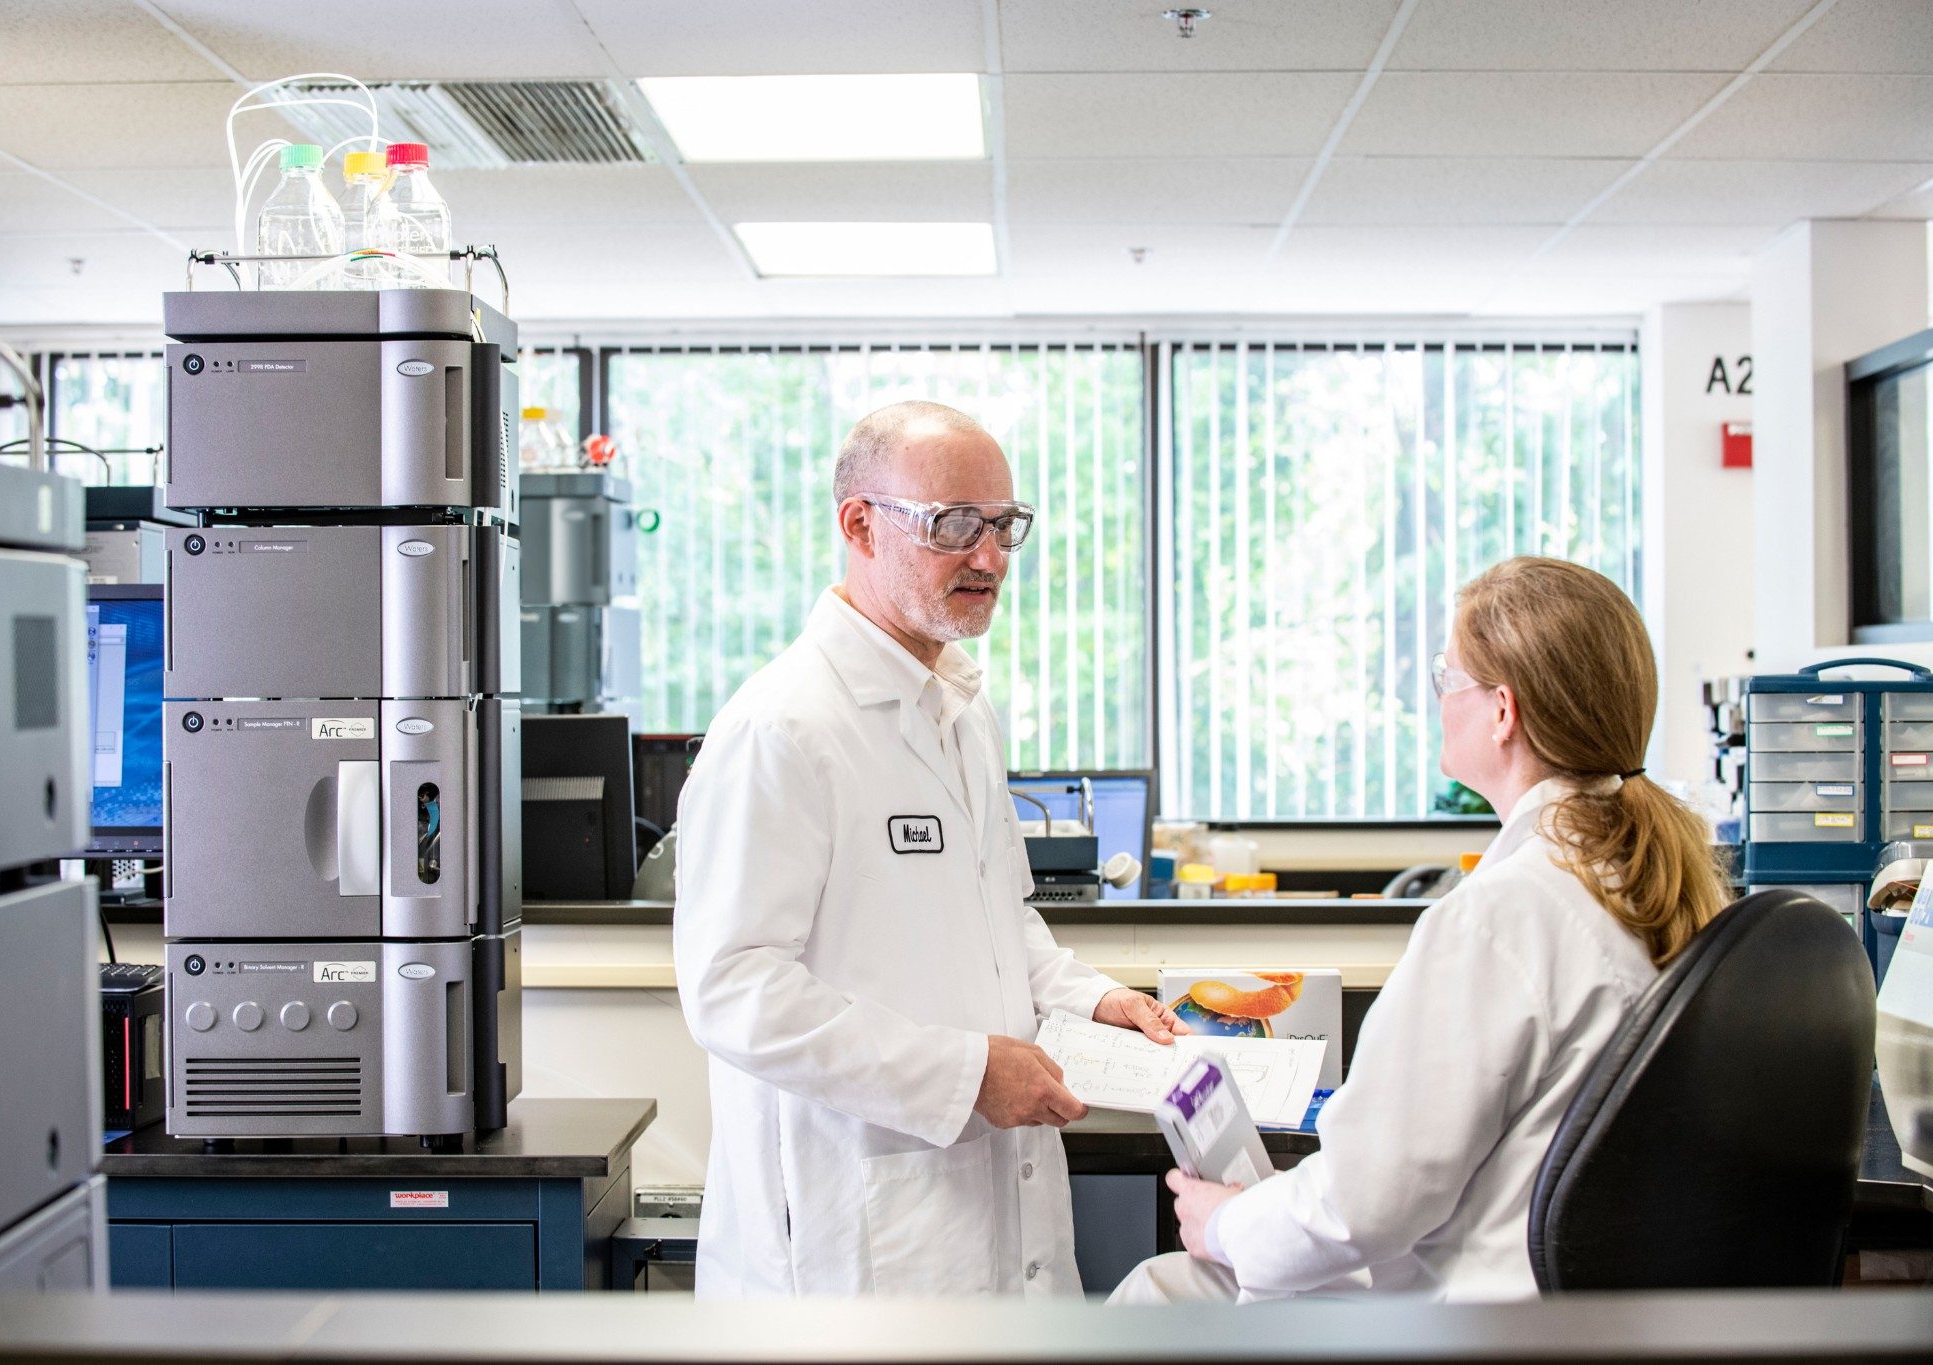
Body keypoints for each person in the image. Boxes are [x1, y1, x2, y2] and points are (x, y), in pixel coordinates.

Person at [1112, 556, 1728, 1304]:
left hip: (1481, 1320)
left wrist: (1225, 1224)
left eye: (1448, 676)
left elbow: (1364, 1205)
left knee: (1160, 1289)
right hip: (1581, 1303)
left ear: (1502, 711)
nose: (1439, 698)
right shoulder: (1645, 877)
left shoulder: (1502, 915)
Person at [674, 399, 1186, 1298]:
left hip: (987, 1204)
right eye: (953, 524)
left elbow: (999, 921)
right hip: (851, 1236)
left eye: (1002, 524)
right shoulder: (782, 728)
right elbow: (733, 991)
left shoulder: (960, 707)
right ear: (860, 525)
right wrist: (965, 1074)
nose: (989, 558)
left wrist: (1092, 998)